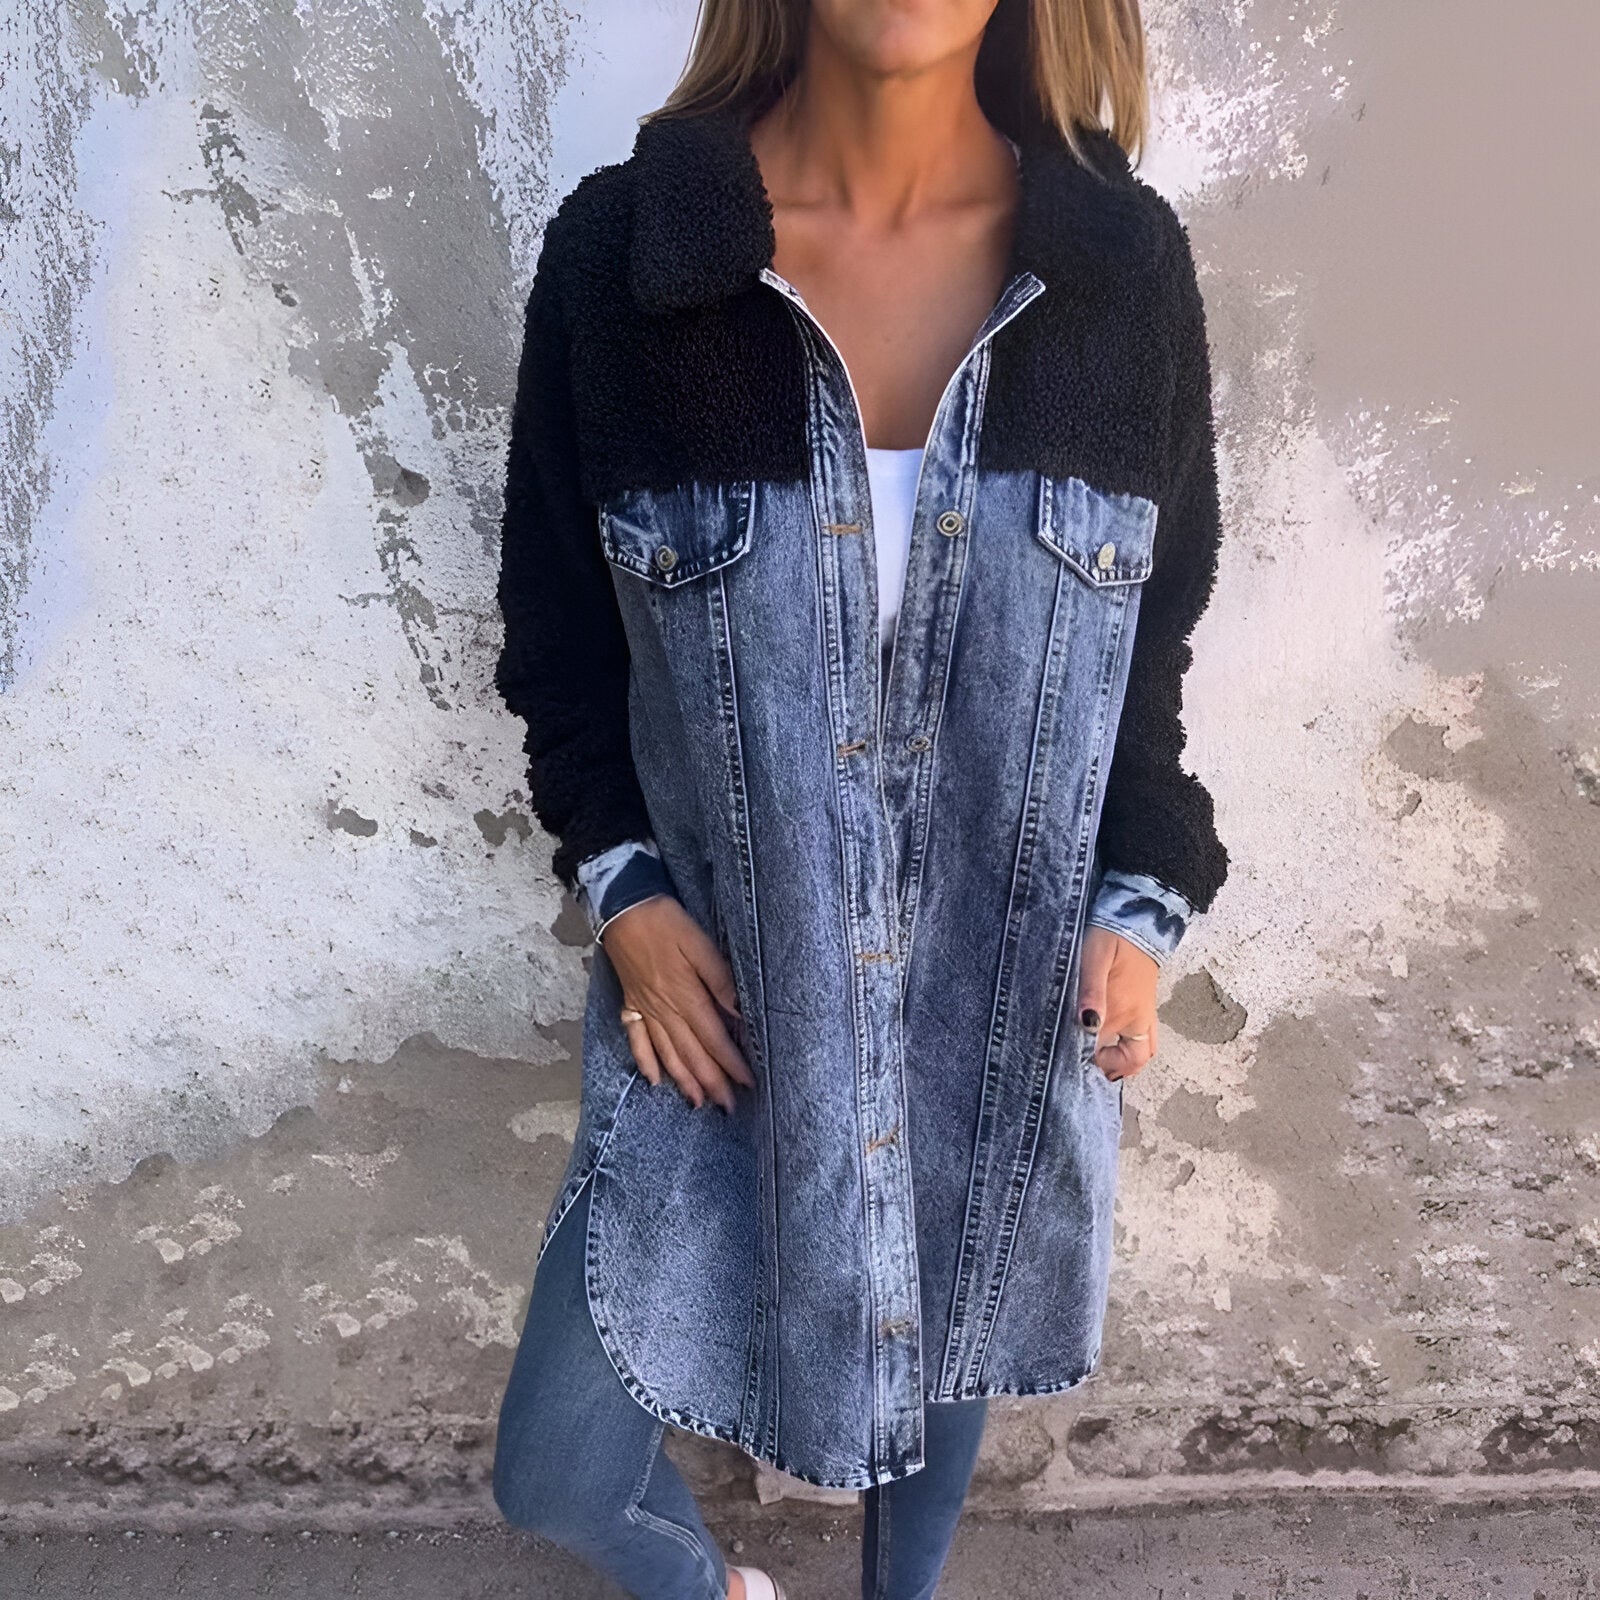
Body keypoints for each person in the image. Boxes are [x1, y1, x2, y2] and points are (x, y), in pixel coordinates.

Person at [489, 0, 1229, 1594]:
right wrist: (626, 895)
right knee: (555, 1467)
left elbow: (1147, 660)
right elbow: (557, 641)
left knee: (940, 1380)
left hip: (995, 999)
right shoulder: (633, 262)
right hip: (729, 1012)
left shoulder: (1117, 278)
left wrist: (1135, 912)